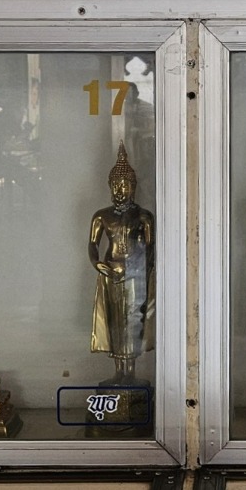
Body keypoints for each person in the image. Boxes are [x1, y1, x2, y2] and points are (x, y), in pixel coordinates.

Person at [89, 144, 156, 385]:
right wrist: (98, 264)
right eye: (116, 185)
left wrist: (142, 270)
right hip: (111, 273)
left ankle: (131, 371)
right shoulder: (101, 216)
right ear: (110, 186)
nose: (120, 190)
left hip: (136, 274)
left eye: (125, 185)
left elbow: (151, 248)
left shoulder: (144, 216)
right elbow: (93, 245)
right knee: (115, 322)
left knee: (133, 321)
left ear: (133, 187)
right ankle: (119, 371)